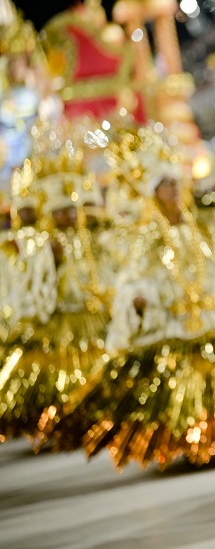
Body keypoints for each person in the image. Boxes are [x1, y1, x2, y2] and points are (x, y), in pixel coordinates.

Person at [43, 125, 215, 469]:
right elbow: (134, 277)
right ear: (151, 192)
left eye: (175, 182)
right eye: (164, 185)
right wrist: (140, 297)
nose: (173, 190)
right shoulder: (144, 237)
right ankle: (197, 440)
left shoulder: (208, 223)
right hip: (173, 316)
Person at [1, 141, 112, 444]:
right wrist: (51, 258)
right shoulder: (41, 243)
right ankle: (62, 421)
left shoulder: (93, 237)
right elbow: (31, 281)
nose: (69, 217)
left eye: (72, 210)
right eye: (61, 212)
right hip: (57, 320)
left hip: (93, 316)